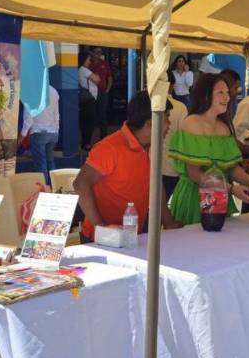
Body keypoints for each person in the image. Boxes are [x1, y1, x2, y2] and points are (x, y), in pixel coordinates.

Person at [74, 91, 182, 243]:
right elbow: (80, 184)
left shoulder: (151, 147)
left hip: (134, 235)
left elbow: (156, 186)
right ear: (151, 124)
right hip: (100, 240)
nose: (170, 125)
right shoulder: (110, 148)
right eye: (167, 119)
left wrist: (168, 221)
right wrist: (102, 227)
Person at [167, 73, 249, 225]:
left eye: (227, 93)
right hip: (194, 198)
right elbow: (195, 174)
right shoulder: (192, 123)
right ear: (205, 95)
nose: (227, 98)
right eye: (220, 93)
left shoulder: (224, 127)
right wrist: (231, 189)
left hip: (221, 198)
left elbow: (230, 168)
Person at [21, 85, 60, 186]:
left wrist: (21, 136)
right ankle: (54, 187)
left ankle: (44, 190)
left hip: (38, 133)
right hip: (53, 132)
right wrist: (56, 130)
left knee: (40, 164)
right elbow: (57, 114)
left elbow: (28, 119)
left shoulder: (32, 92)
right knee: (50, 161)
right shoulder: (53, 90)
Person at [162, 70, 189, 200]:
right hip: (170, 167)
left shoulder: (144, 103)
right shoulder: (180, 107)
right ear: (172, 86)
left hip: (148, 166)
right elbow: (184, 138)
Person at [78, 52, 100, 151]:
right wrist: (95, 75)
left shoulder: (81, 70)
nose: (90, 62)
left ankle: (85, 142)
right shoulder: (83, 70)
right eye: (88, 60)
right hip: (89, 99)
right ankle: (86, 143)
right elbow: (97, 79)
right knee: (89, 122)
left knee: (85, 121)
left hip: (87, 99)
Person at [91, 48, 113, 139]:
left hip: (102, 92)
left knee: (102, 114)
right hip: (91, 93)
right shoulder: (89, 64)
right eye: (97, 52)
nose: (99, 54)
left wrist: (107, 89)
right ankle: (90, 137)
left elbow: (110, 78)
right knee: (91, 114)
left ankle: (103, 137)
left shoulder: (105, 64)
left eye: (100, 52)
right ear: (93, 53)